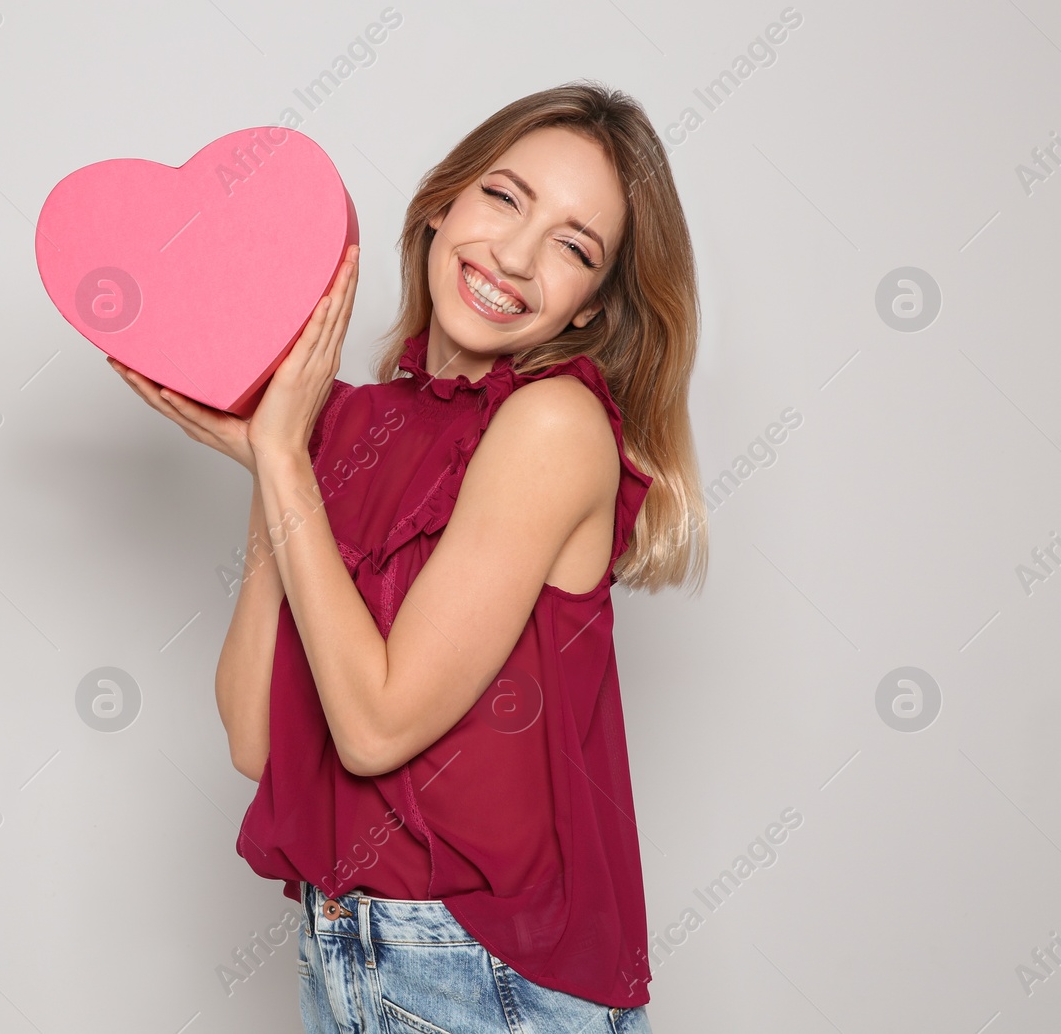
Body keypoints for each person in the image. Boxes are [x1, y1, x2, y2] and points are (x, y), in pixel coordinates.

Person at [110, 80, 706, 1034]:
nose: (513, 255)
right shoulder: (348, 427)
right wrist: (286, 459)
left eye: (573, 245)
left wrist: (281, 459)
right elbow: (252, 737)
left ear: (593, 309)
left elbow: (375, 729)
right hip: (348, 953)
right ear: (442, 204)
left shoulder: (553, 425)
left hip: (485, 978)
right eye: (505, 197)